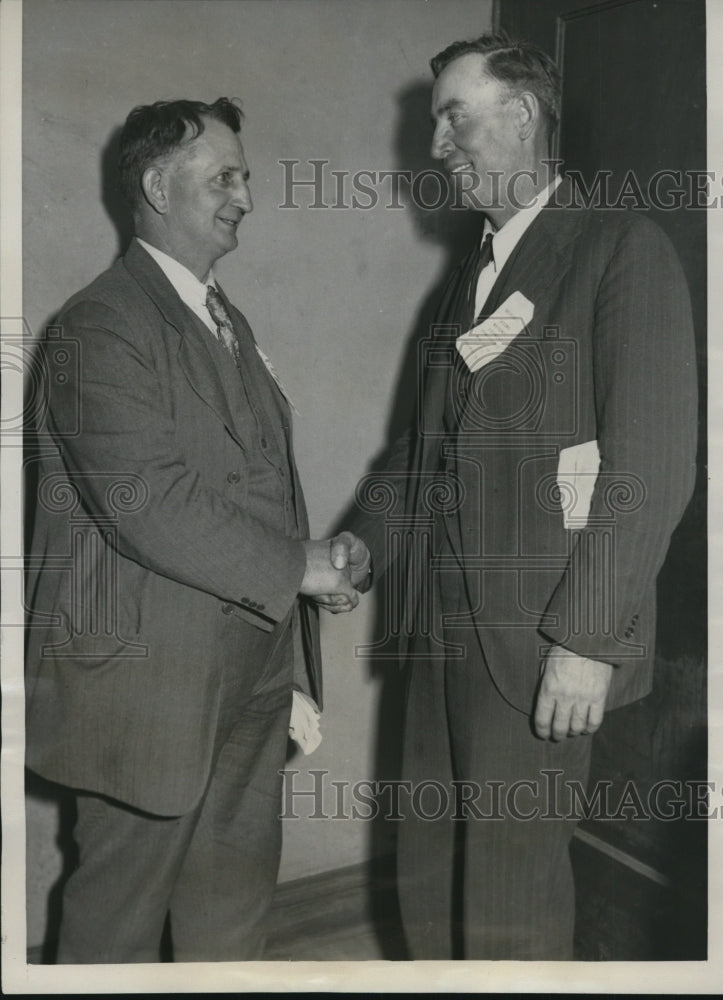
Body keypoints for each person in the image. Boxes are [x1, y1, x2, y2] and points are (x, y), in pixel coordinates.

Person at [350, 34, 697, 959]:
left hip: (542, 646)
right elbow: (422, 456)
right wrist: (360, 548)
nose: (435, 144)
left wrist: (585, 640)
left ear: (523, 116)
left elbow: (650, 465)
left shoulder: (621, 247)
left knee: (510, 901)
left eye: (453, 116)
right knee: (429, 882)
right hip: (441, 639)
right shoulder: (468, 278)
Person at [25, 97, 370, 963]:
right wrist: (301, 566)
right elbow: (150, 502)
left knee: (231, 913)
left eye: (244, 176)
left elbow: (246, 484)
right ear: (154, 184)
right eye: (224, 177)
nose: (245, 195)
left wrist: (310, 570)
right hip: (147, 692)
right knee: (118, 927)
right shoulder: (99, 326)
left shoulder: (225, 320)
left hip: (250, 676)